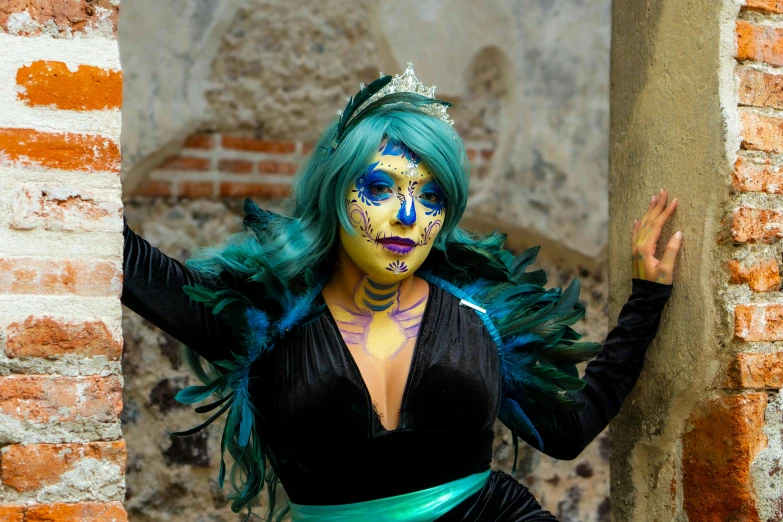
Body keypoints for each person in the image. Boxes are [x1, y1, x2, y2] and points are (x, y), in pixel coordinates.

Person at [122, 64, 681, 521]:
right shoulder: (258, 317)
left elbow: (566, 432)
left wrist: (648, 298)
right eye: (381, 188)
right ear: (335, 193)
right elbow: (126, 261)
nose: (409, 216)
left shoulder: (482, 317)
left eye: (432, 197)